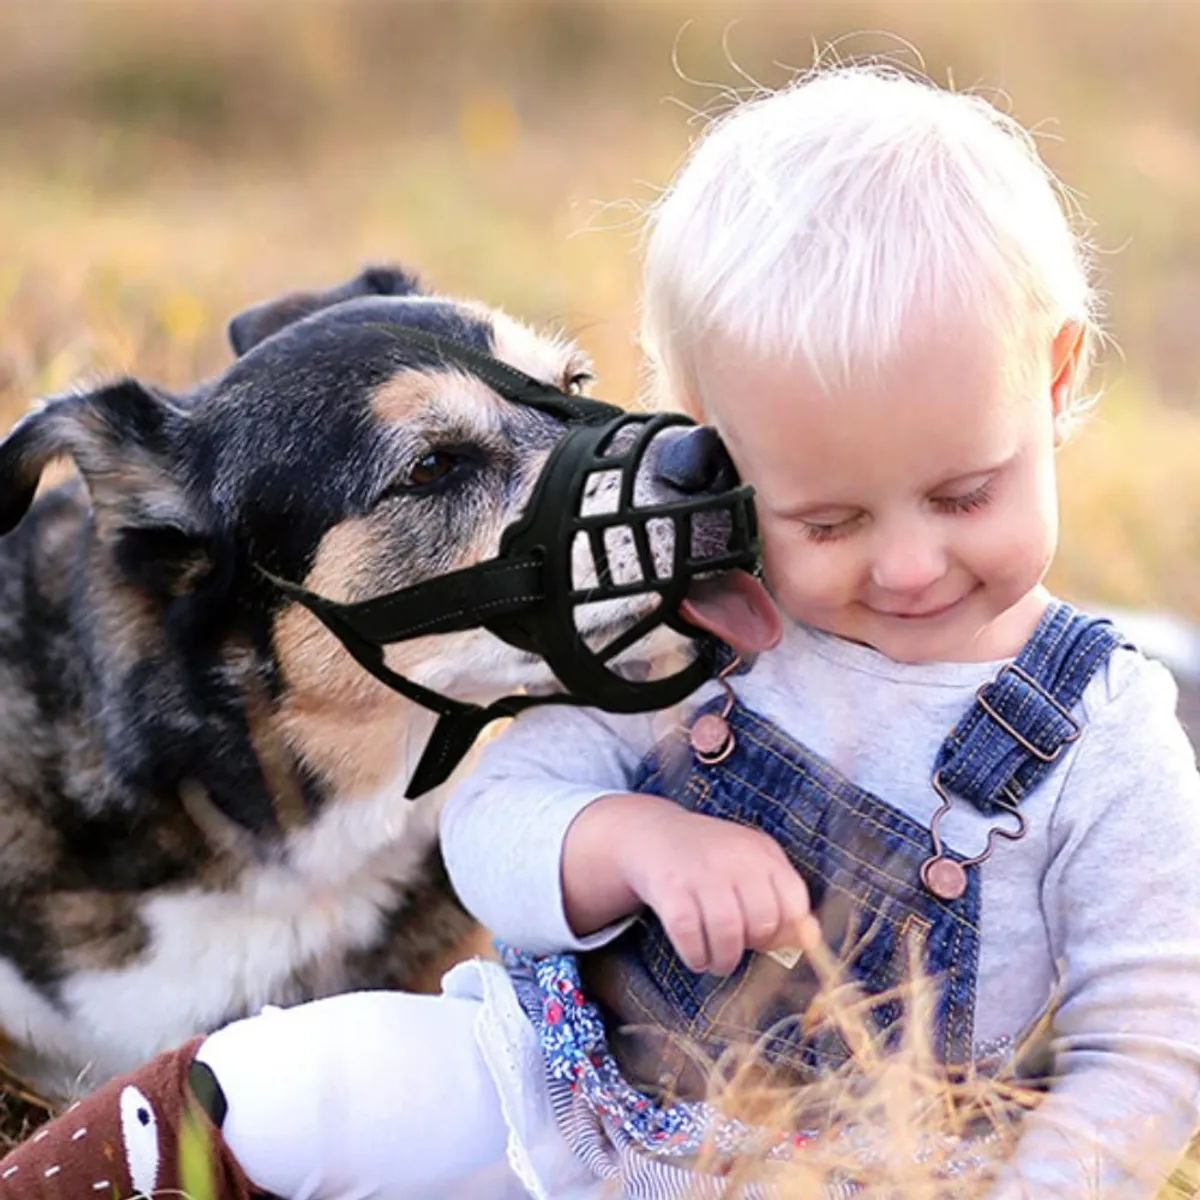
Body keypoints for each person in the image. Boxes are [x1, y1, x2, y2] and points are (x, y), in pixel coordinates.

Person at [4, 61, 1200, 1200]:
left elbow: (1150, 1042)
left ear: (1052, 386)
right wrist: (626, 842)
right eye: (823, 516)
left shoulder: (1109, 738)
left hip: (842, 1167)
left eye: (963, 495)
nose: (905, 565)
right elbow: (501, 823)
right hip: (548, 1094)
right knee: (290, 1079)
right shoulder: (703, 646)